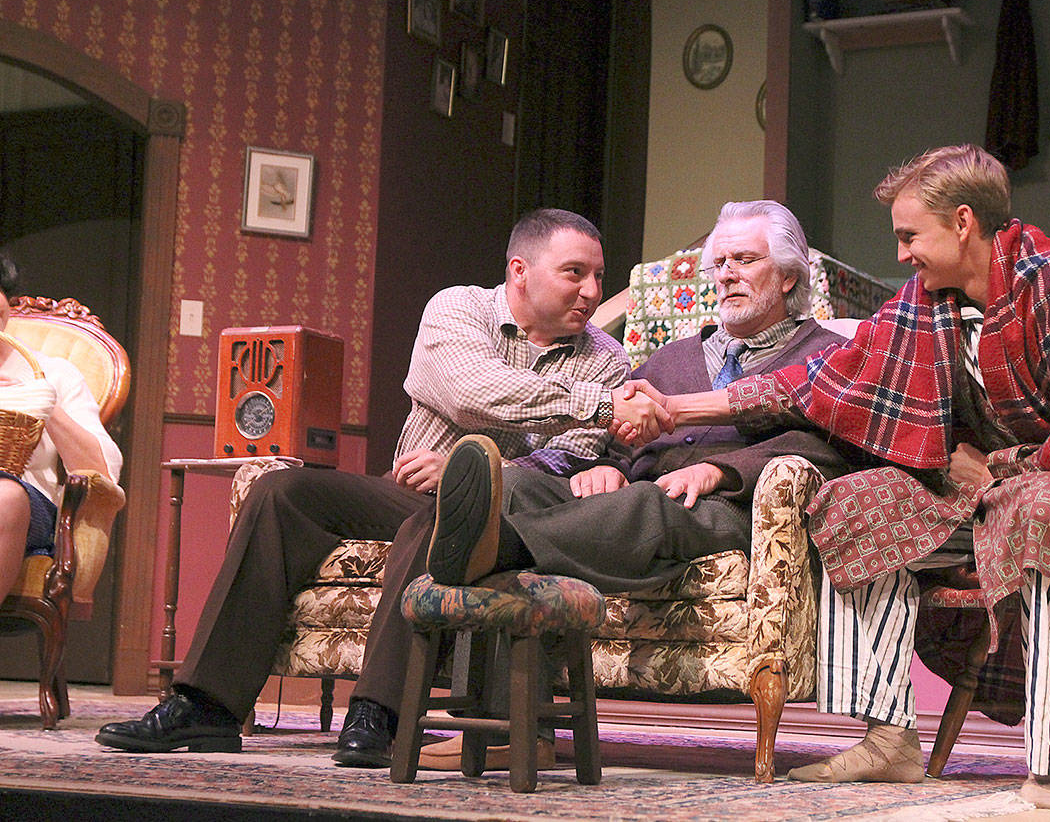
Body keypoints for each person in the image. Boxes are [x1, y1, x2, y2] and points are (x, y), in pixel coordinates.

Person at [614, 146, 1050, 808]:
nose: (901, 254)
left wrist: (1005, 466)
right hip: (999, 486)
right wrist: (672, 409)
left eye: (908, 236)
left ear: (961, 224)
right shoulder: (928, 300)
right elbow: (814, 382)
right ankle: (889, 735)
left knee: (1041, 508)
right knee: (855, 498)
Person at [95, 208, 670, 757]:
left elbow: (568, 459)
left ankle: (379, 713)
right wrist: (594, 406)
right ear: (520, 271)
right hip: (404, 488)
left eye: (598, 276)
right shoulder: (457, 310)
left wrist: (471, 475)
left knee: (442, 514)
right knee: (280, 492)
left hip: (503, 516)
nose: (594, 291)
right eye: (576, 273)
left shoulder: (607, 360)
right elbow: (470, 393)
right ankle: (206, 705)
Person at [343, 199, 866, 770]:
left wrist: (723, 470)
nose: (728, 275)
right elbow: (615, 436)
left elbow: (834, 445)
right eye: (720, 263)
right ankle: (513, 728)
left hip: (724, 510)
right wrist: (610, 463)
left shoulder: (832, 355)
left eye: (745, 259)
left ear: (788, 275)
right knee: (512, 486)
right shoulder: (671, 358)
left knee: (650, 502)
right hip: (626, 501)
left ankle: (496, 547)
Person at [0, 257, 123, 601]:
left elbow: (101, 471)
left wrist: (46, 404)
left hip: (20, 507)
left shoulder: (53, 373)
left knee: (4, 495)